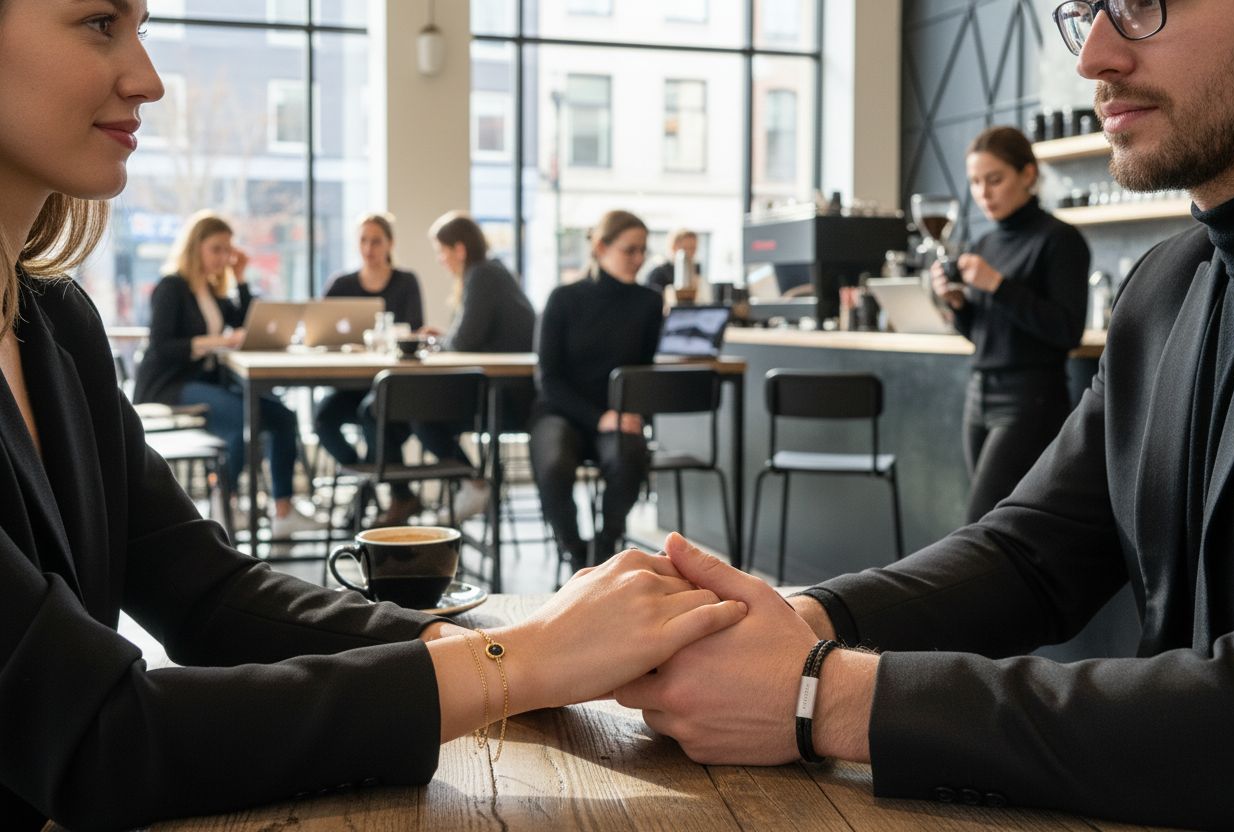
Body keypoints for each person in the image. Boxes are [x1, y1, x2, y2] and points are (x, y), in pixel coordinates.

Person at [0, 3, 749, 829]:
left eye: (141, 26)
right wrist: (516, 663)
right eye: (98, 21)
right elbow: (102, 739)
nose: (149, 79)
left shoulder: (57, 323)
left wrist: (486, 646)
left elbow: (208, 596)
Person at [615, 3, 1234, 829]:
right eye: (1087, 10)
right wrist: (792, 621)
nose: (1093, 56)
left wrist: (825, 696)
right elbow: (1030, 555)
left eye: (1141, 2)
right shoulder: (1165, 288)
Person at [931, 126, 1091, 523]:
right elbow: (983, 334)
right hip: (979, 393)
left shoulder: (1060, 239)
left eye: (994, 179)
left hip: (1030, 399)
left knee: (980, 523)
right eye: (975, 182)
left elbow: (1067, 331)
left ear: (1027, 174)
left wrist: (997, 286)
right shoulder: (984, 244)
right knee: (997, 526)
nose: (983, 193)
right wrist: (958, 307)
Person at [134, 211, 321, 538]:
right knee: (239, 418)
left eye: (227, 250)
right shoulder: (172, 287)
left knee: (283, 418)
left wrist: (241, 277)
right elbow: (162, 346)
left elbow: (249, 320)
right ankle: (224, 505)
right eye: (216, 249)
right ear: (196, 247)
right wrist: (217, 342)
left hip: (205, 384)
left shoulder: (212, 292)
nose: (223, 257)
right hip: (170, 386)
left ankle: (283, 511)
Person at [532, 210, 665, 567]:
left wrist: (631, 412)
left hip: (618, 414)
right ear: (601, 247)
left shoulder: (649, 302)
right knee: (553, 465)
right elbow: (548, 379)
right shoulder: (563, 298)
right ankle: (576, 554)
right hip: (562, 411)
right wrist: (599, 417)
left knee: (628, 458)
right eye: (630, 250)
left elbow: (644, 370)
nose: (639, 259)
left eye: (643, 250)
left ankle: (606, 550)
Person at [415, 210, 537, 521]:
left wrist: (439, 342)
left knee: (420, 412)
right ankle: (474, 483)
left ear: (459, 249)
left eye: (441, 251)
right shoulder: (492, 272)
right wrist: (445, 338)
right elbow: (471, 337)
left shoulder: (482, 275)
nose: (440, 260)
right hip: (512, 393)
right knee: (419, 409)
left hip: (506, 399)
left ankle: (474, 484)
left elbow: (464, 341)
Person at [313, 213, 425, 526]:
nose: (369, 248)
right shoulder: (341, 284)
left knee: (373, 413)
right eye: (363, 240)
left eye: (376, 241)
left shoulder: (406, 282)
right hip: (351, 385)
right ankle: (369, 481)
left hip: (394, 387)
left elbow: (412, 332)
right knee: (323, 419)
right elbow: (320, 331)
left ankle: (395, 495)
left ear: (390, 244)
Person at [644, 228, 700, 295]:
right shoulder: (659, 273)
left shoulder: (696, 271)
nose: (690, 253)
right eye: (685, 248)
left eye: (693, 248)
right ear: (673, 247)